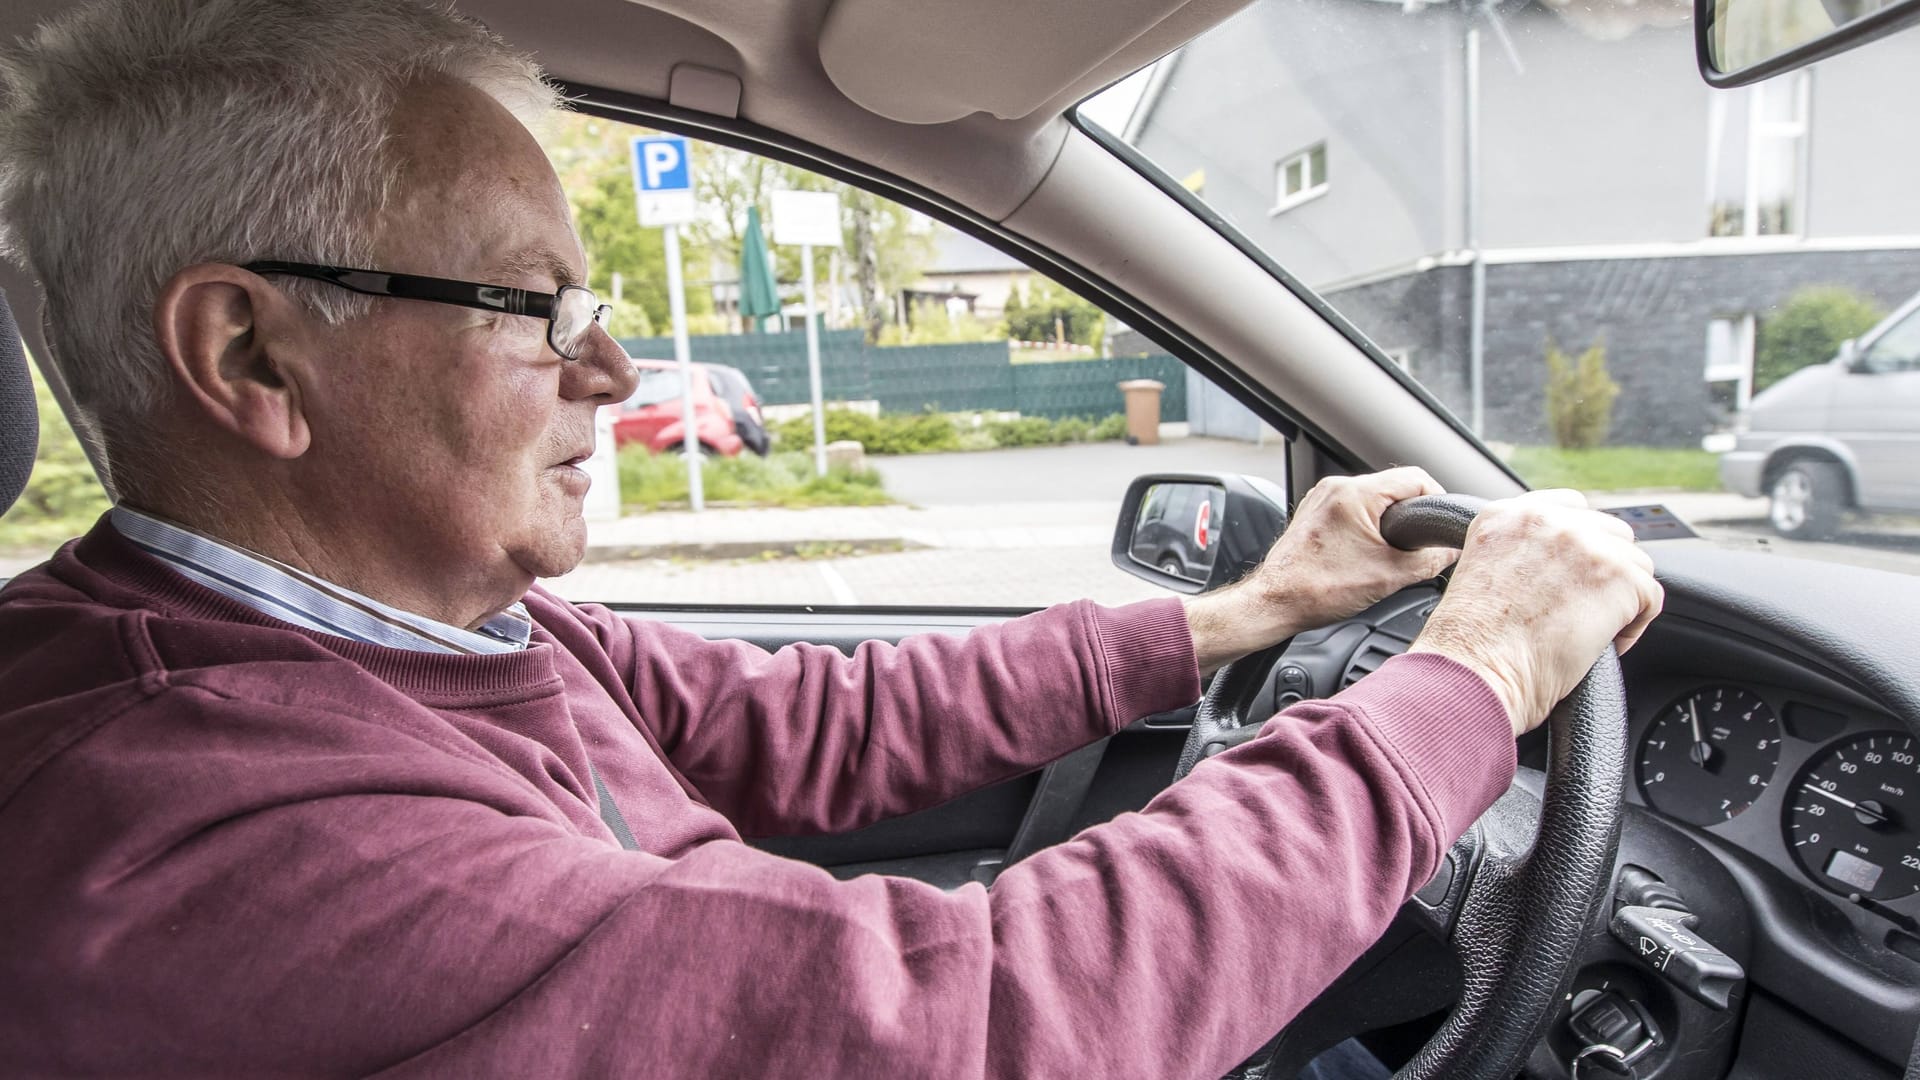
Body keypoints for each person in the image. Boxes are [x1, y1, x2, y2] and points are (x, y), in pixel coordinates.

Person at [0, 1, 1663, 1076]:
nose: (616, 369)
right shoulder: (184, 816)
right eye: (535, 306)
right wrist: (1479, 671)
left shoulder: (417, 628)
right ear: (251, 357)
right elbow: (965, 1026)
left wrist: (1253, 615)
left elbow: (804, 721)